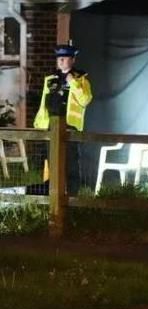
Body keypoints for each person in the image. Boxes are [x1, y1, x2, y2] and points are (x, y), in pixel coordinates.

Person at [31, 44, 93, 195]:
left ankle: (72, 197)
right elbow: (44, 104)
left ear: (73, 60)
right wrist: (40, 122)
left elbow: (85, 99)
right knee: (53, 165)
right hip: (51, 127)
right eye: (59, 58)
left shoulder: (81, 79)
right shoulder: (51, 79)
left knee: (71, 165)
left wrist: (73, 82)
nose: (61, 61)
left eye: (64, 58)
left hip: (69, 128)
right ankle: (53, 196)